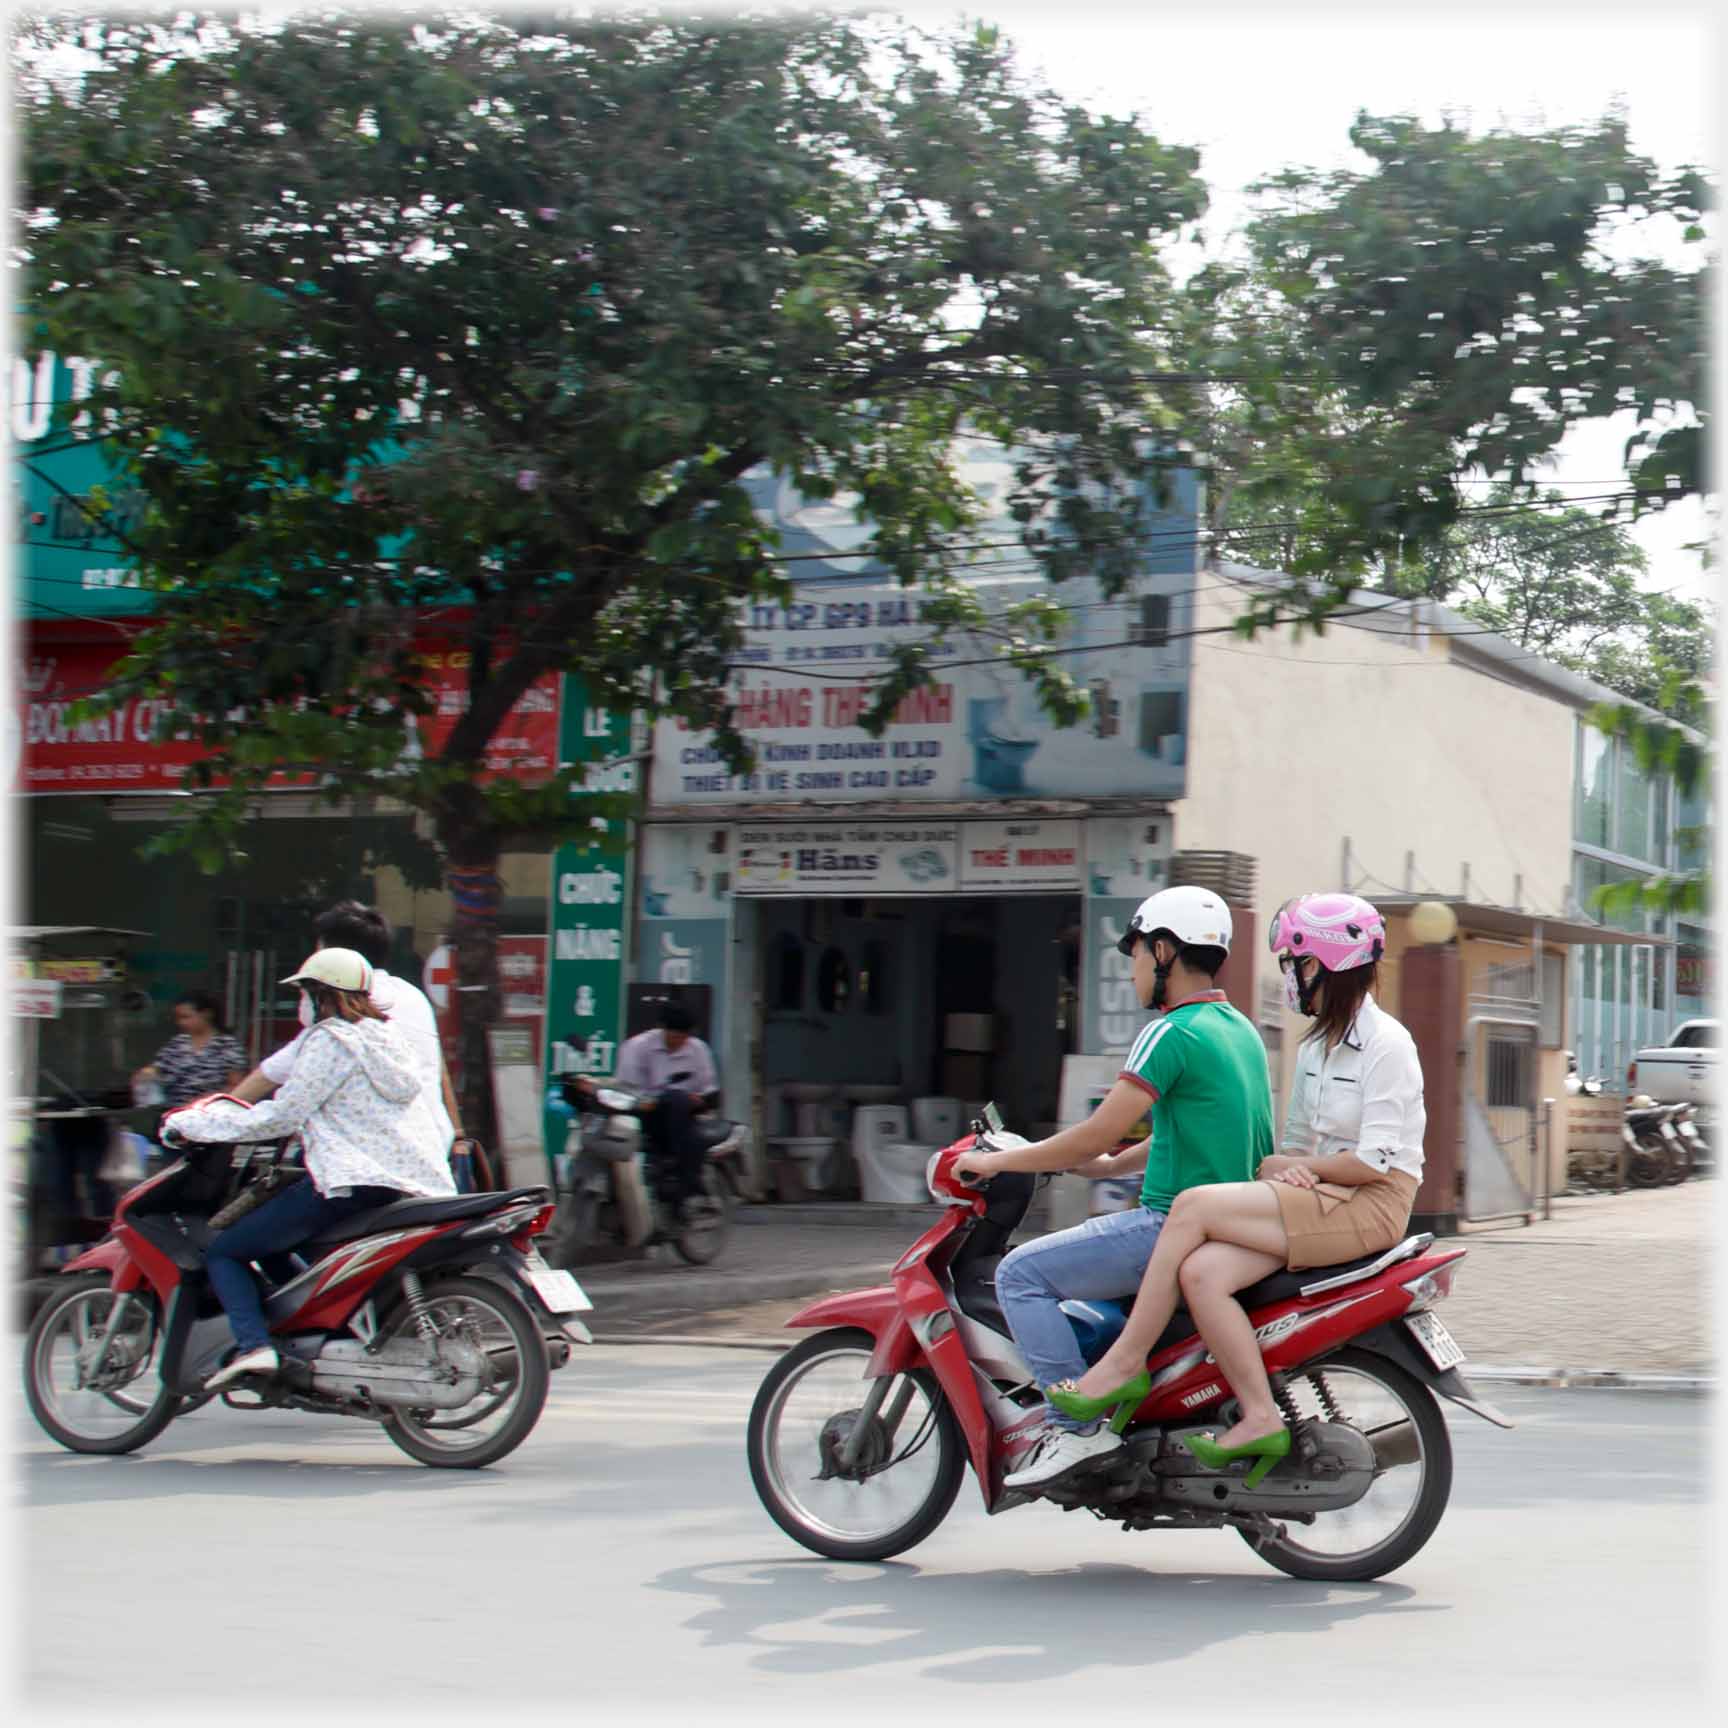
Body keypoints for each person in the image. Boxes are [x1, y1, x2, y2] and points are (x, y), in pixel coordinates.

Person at [1048, 891, 1425, 1484]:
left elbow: (1377, 1162)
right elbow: (1294, 1147)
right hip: (1325, 1199)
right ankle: (1259, 1415)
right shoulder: (1317, 1049)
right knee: (1202, 1274)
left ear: (1326, 964)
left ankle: (1124, 1363)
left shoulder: (1387, 1044)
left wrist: (1305, 1170)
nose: (1292, 979)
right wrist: (1295, 1167)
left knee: (1193, 1207)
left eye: (1296, 965)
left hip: (1373, 1205)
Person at [950, 886, 1273, 1490]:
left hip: (1166, 1231)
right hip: (1232, 1226)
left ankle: (1072, 1431)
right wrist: (1103, 1167)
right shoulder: (1239, 1031)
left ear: (1164, 951)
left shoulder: (1169, 1032)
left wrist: (1005, 1160)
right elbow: (1199, 1136)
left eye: (1136, 957)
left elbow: (1097, 1129)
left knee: (1021, 1274)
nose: (1133, 972)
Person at [160, 948, 457, 1390]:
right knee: (273, 1241)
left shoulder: (330, 1041)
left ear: (322, 996)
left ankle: (254, 1348)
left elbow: (283, 1114)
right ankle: (314, 1330)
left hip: (349, 1181)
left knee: (226, 1250)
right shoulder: (390, 1041)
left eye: (307, 994)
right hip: (411, 1184)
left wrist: (196, 1124)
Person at [232, 901, 476, 1182]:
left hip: (363, 1164)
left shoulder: (342, 1005)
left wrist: (214, 1111)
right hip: (433, 1151)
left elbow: (273, 1075)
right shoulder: (412, 996)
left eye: (319, 951)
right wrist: (458, 1134)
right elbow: (437, 1067)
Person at [575, 1000, 719, 1216]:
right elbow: (625, 1085)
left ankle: (687, 1192)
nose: (678, 1042)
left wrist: (697, 1099)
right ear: (663, 1029)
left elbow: (709, 1089)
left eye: (683, 1037)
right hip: (641, 1109)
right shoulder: (637, 1047)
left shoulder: (698, 1050)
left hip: (683, 1113)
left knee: (678, 1104)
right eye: (673, 1036)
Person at [133, 992, 247, 1108]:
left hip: (210, 1110)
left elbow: (235, 1085)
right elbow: (158, 1068)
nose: (181, 1022)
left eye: (186, 1017)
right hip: (173, 1110)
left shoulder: (227, 1045)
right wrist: (147, 1073)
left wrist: (206, 1100)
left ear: (206, 1014)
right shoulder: (177, 1043)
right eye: (178, 1018)